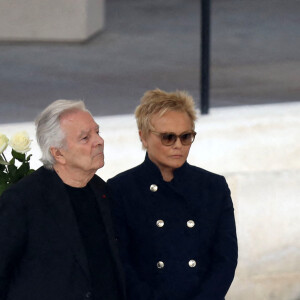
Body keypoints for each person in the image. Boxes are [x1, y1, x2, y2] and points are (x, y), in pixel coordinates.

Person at [108, 89, 238, 300]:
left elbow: (225, 260)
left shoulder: (213, 187)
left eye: (186, 137)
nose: (178, 145)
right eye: (168, 137)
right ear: (143, 137)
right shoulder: (121, 189)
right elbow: (121, 264)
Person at [0, 100, 126, 300]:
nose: (99, 141)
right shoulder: (22, 201)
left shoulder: (105, 192)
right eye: (85, 138)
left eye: (97, 132)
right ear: (58, 153)